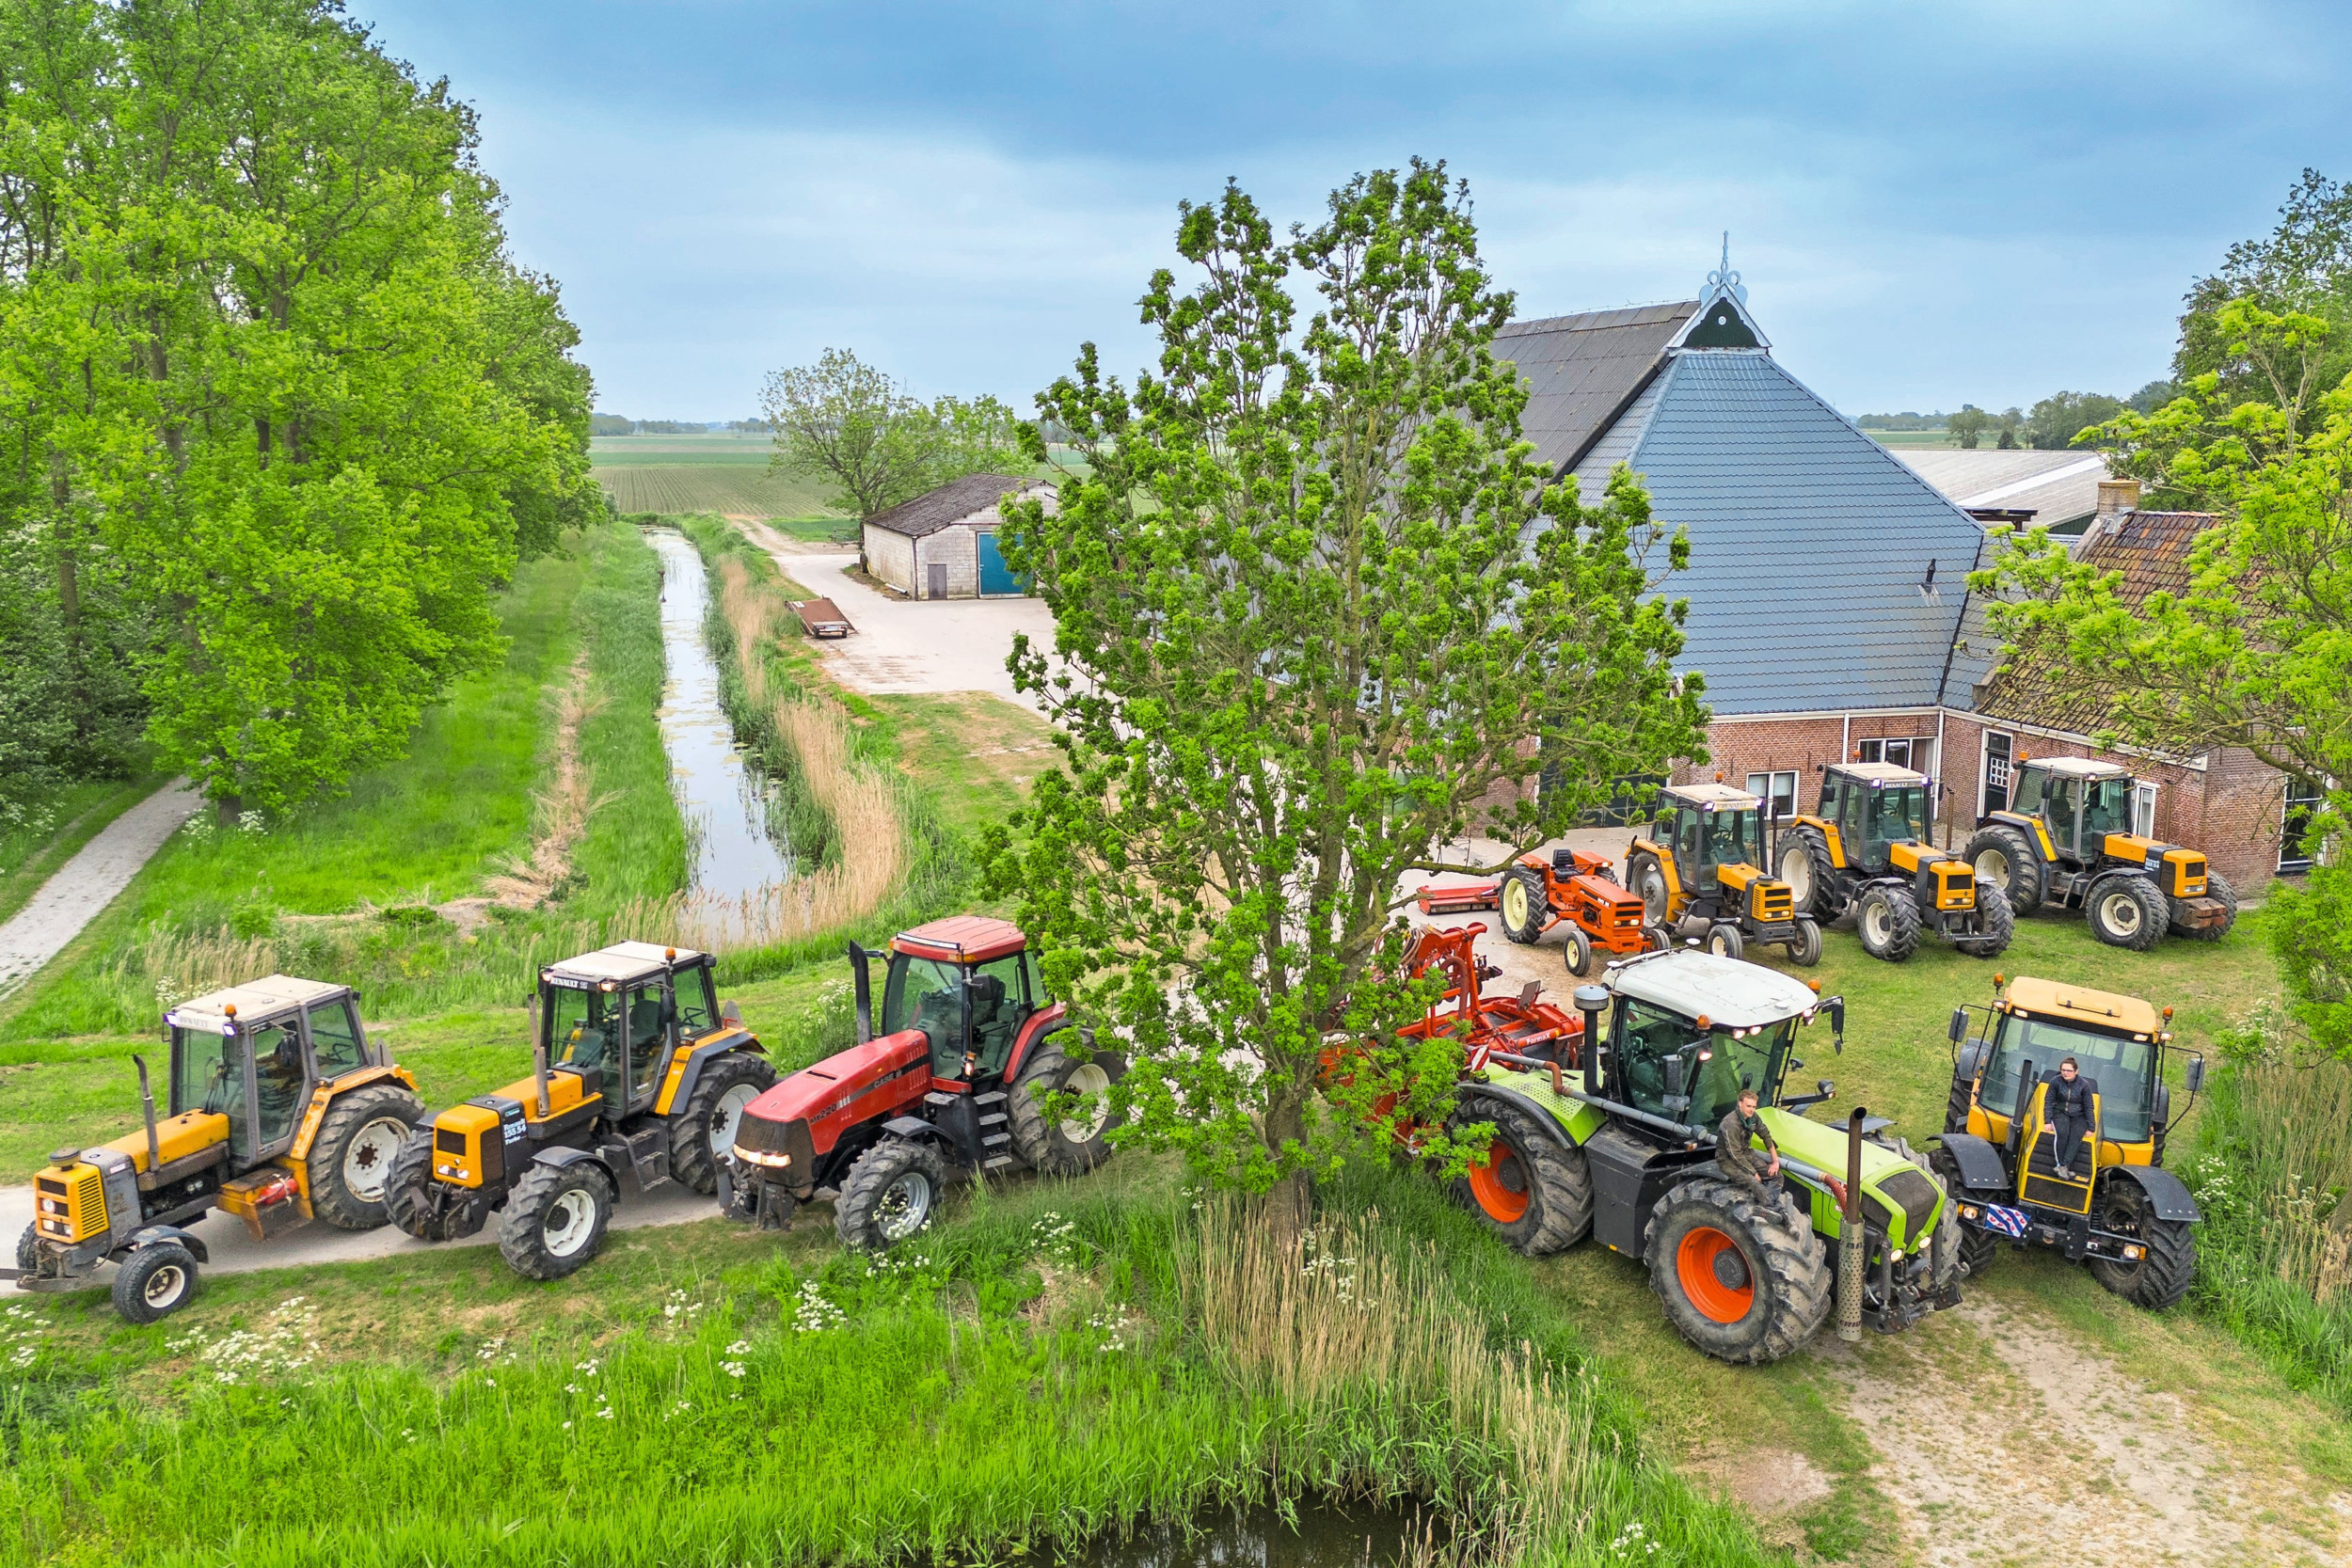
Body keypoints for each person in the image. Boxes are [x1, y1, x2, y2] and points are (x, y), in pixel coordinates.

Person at [1718, 1086, 1783, 1206]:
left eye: (1754, 1107)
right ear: (1740, 1104)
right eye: (1748, 1106)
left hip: (1746, 1154)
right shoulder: (1730, 1124)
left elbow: (1766, 1135)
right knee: (1753, 1181)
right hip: (1728, 1160)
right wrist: (1754, 1173)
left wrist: (1775, 1161)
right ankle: (1767, 1206)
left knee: (1777, 1176)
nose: (1751, 1110)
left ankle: (1768, 1203)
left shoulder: (1753, 1117)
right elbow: (1735, 1154)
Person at [2047, 1056, 2095, 1179]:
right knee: (2062, 1133)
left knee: (2076, 1136)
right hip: (2060, 1111)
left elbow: (2089, 1106)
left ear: (2076, 1071)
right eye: (2063, 1070)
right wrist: (2047, 1120)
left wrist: (2091, 1127)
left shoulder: (2084, 1085)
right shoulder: (2055, 1082)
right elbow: (2048, 1101)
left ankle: (2064, 1166)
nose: (2065, 1073)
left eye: (2069, 1070)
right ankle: (2060, 1165)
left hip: (2079, 1114)